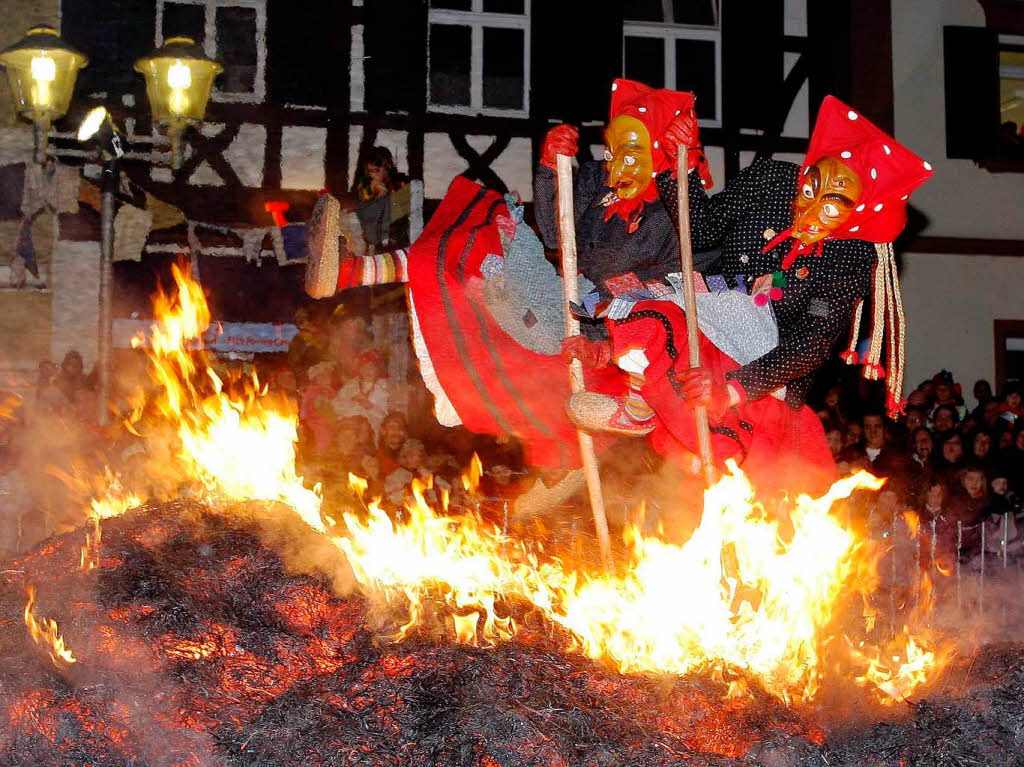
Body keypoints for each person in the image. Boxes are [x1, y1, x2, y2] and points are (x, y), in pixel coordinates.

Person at [563, 94, 934, 495]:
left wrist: (732, 388)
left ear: (858, 214)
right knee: (646, 301)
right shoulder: (772, 181)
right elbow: (702, 231)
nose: (808, 211)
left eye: (832, 206)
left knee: (742, 512)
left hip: (760, 380)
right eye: (811, 189)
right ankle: (634, 399)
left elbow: (811, 343)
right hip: (712, 318)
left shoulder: (851, 255)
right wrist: (678, 169)